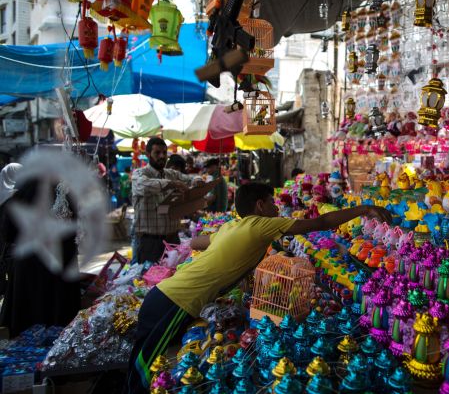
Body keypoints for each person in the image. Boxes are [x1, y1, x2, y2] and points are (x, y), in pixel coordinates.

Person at [126, 182, 391, 393]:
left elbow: (196, 242)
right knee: (148, 372)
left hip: (165, 295)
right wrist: (362, 210)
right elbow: (319, 223)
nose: (277, 208)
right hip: (175, 301)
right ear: (260, 205)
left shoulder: (233, 226)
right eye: (273, 203)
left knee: (149, 365)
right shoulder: (261, 224)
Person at [0, 179, 81, 337]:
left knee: (26, 325)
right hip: (59, 267)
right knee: (58, 326)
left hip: (27, 266)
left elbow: (8, 233)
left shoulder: (21, 194)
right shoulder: (65, 192)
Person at [132, 138, 192, 264]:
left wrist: (198, 181)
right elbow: (143, 185)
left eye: (164, 153)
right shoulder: (139, 174)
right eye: (157, 153)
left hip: (173, 239)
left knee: (174, 278)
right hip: (150, 243)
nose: (162, 156)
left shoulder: (171, 174)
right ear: (148, 154)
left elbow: (190, 180)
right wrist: (172, 184)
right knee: (149, 281)